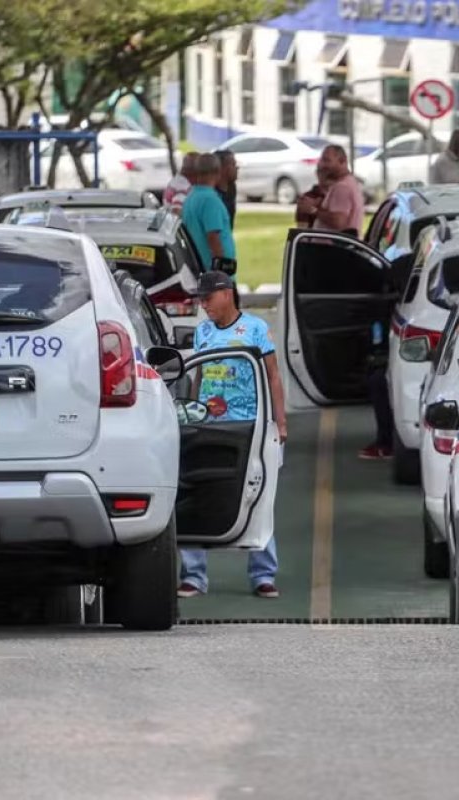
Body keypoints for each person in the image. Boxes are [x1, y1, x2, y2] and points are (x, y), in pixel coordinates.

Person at [177, 271, 288, 600]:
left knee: (259, 497)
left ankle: (263, 574)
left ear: (227, 294)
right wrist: (195, 412)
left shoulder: (254, 329)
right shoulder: (202, 332)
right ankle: (194, 576)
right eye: (201, 298)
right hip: (210, 425)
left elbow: (273, 376)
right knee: (199, 495)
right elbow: (198, 375)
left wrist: (280, 423)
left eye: (208, 297)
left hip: (250, 425)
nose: (203, 304)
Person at [182, 153, 239, 306]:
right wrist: (222, 275)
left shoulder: (191, 197)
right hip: (215, 277)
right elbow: (213, 236)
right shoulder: (210, 200)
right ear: (217, 172)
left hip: (201, 272)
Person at [297, 144, 364, 236]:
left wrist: (312, 210)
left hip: (332, 248)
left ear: (342, 161)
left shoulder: (342, 187)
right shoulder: (348, 183)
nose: (321, 164)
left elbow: (338, 221)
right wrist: (318, 204)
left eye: (327, 160)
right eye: (322, 160)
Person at [295, 163, 333, 228]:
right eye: (324, 171)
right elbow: (302, 228)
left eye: (331, 172)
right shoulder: (307, 198)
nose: (327, 175)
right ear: (317, 173)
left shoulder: (340, 195)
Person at [213, 149, 238, 228]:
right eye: (233, 164)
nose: (237, 168)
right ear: (222, 168)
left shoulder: (231, 189)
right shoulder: (212, 196)